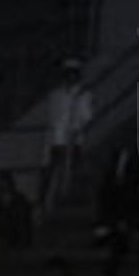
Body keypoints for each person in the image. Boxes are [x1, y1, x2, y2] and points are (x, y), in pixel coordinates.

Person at [41, 58, 93, 217]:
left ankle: (68, 204)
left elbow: (85, 118)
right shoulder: (56, 95)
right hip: (56, 142)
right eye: (67, 74)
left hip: (73, 142)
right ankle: (47, 206)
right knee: (50, 175)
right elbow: (52, 120)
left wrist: (75, 133)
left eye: (73, 74)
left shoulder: (83, 95)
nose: (70, 77)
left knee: (72, 176)